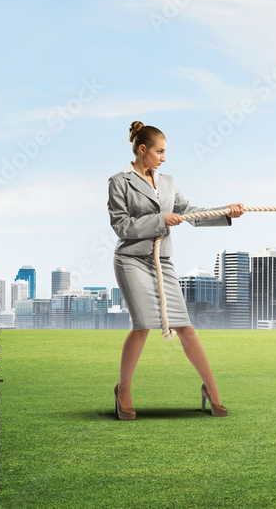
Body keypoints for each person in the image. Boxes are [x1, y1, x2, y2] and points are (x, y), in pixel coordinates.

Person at [107, 121, 245, 420]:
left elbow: (190, 212)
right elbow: (121, 225)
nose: (163, 158)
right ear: (142, 150)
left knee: (186, 328)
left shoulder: (167, 182)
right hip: (131, 260)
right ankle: (123, 391)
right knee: (142, 325)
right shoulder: (119, 181)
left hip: (162, 261)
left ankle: (211, 390)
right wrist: (160, 220)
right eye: (160, 151)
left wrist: (226, 211)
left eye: (165, 152)